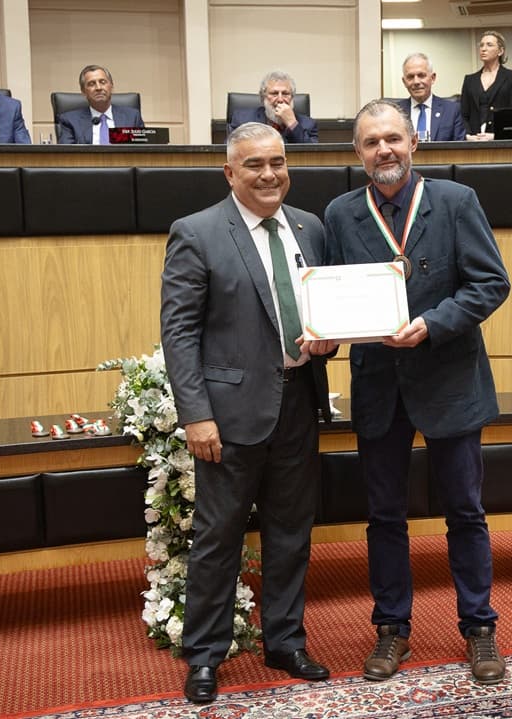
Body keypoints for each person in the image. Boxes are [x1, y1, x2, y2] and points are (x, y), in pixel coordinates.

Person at [322, 100, 511, 684]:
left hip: (450, 380)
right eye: (372, 141)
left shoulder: (456, 202)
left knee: (465, 510)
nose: (385, 150)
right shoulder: (340, 213)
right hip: (379, 385)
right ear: (358, 153)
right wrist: (324, 332)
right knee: (383, 516)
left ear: (414, 143)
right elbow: (329, 294)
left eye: (394, 139)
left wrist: (433, 323)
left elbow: (491, 283)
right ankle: (391, 631)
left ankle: (479, 628)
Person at [161, 121, 333, 704]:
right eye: (254, 165)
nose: (269, 175)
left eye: (277, 163)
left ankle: (285, 641)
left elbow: (320, 311)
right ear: (229, 172)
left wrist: (328, 339)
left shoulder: (310, 227)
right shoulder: (197, 232)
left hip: (298, 404)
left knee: (291, 533)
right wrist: (196, 416)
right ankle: (205, 655)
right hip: (227, 417)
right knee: (218, 538)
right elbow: (179, 333)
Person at [57, 65, 144, 144]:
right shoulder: (70, 120)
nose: (98, 88)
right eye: (92, 84)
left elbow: (143, 151)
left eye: (102, 82)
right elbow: (66, 154)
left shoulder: (132, 117)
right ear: (83, 91)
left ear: (111, 86)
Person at [460, 31, 512, 141]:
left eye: (489, 45)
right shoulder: (470, 80)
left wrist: (496, 136)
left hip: (500, 141)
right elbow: (463, 114)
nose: (483, 49)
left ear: (500, 51)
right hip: (473, 141)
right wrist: (468, 136)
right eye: (481, 45)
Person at [227, 71, 318, 143]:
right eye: (274, 94)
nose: (280, 99)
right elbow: (230, 151)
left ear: (292, 98)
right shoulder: (242, 120)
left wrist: (292, 123)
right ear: (263, 98)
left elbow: (313, 156)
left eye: (285, 94)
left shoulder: (308, 124)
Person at [397, 52, 466, 142]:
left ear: (432, 78)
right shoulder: (395, 112)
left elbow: (460, 149)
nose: (416, 81)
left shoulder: (452, 111)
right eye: (410, 77)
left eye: (421, 75)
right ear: (404, 82)